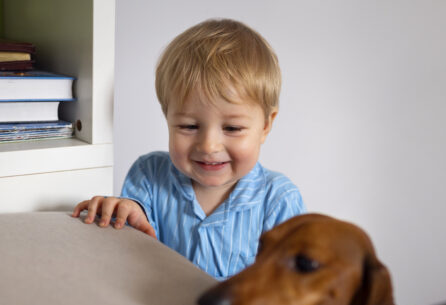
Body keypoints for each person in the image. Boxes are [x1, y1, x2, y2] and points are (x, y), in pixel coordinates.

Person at [72, 18, 305, 279]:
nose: (209, 146)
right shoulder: (148, 175)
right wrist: (120, 215)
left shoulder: (279, 200)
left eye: (232, 129)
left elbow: (288, 288)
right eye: (189, 126)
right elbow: (128, 259)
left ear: (265, 126)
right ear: (168, 117)